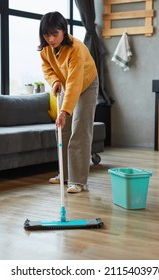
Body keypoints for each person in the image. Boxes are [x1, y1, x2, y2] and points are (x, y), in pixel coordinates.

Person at [38, 11, 99, 193]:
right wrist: (55, 81)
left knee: (80, 129)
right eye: (46, 35)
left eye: (54, 34)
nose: (50, 39)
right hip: (66, 84)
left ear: (63, 31)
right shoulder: (45, 50)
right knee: (62, 130)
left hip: (86, 85)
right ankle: (64, 174)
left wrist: (64, 112)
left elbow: (74, 82)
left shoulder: (76, 48)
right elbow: (47, 68)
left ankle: (78, 181)